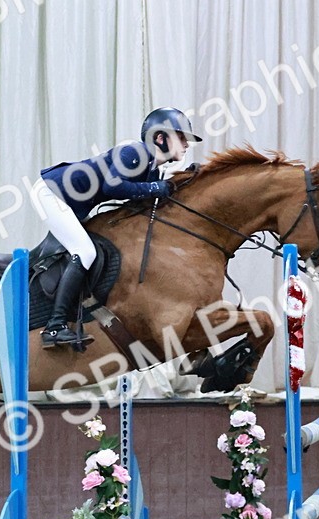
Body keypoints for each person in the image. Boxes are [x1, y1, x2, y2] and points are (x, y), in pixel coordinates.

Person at [35, 107, 203, 349]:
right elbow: (114, 186)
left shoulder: (152, 167)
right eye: (181, 137)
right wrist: (157, 188)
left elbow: (148, 193)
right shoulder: (135, 152)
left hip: (71, 201)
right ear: (159, 137)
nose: (187, 144)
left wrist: (185, 179)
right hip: (53, 192)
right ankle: (55, 326)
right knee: (85, 252)